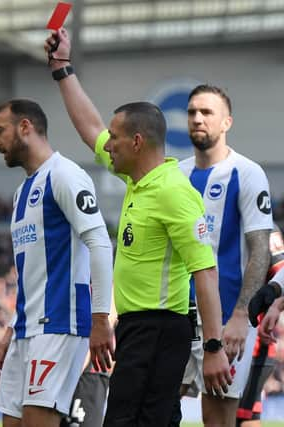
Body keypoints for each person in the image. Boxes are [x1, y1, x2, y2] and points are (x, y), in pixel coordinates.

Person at [45, 28, 231, 427]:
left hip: (160, 329)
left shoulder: (173, 193)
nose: (106, 143)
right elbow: (88, 126)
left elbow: (206, 271)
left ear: (137, 142)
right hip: (136, 329)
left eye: (114, 137)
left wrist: (213, 346)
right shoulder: (138, 181)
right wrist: (63, 70)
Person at [0, 99, 115, 427]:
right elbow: (32, 274)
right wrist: (12, 328)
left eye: (0, 131)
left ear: (26, 127)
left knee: (37, 421)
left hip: (60, 322)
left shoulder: (65, 175)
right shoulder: (21, 192)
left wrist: (100, 318)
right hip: (26, 328)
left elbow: (100, 244)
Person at [177, 84, 273, 426]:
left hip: (224, 319)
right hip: (174, 317)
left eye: (206, 113)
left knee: (217, 420)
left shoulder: (246, 173)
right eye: (191, 112)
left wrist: (241, 315)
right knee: (157, 411)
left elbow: (260, 248)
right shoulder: (175, 173)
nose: (197, 119)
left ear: (226, 122)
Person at [238, 225, 284, 426]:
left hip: (255, 344)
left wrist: (275, 305)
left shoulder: (266, 227)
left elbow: (281, 272)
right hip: (220, 339)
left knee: (243, 415)